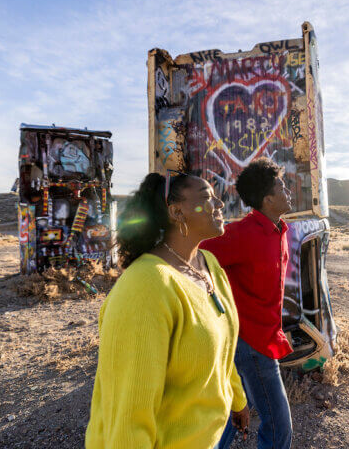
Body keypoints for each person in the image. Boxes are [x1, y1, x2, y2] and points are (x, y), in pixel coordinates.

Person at [85, 172, 250, 448]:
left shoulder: (208, 264)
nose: (220, 204)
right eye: (207, 197)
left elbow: (222, 345)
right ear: (176, 212)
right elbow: (129, 419)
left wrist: (237, 398)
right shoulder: (145, 288)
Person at [201, 158, 294, 449]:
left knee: (235, 410)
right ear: (267, 199)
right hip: (250, 342)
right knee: (279, 428)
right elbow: (196, 253)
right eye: (282, 186)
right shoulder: (242, 234)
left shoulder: (280, 230)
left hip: (265, 336)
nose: (288, 190)